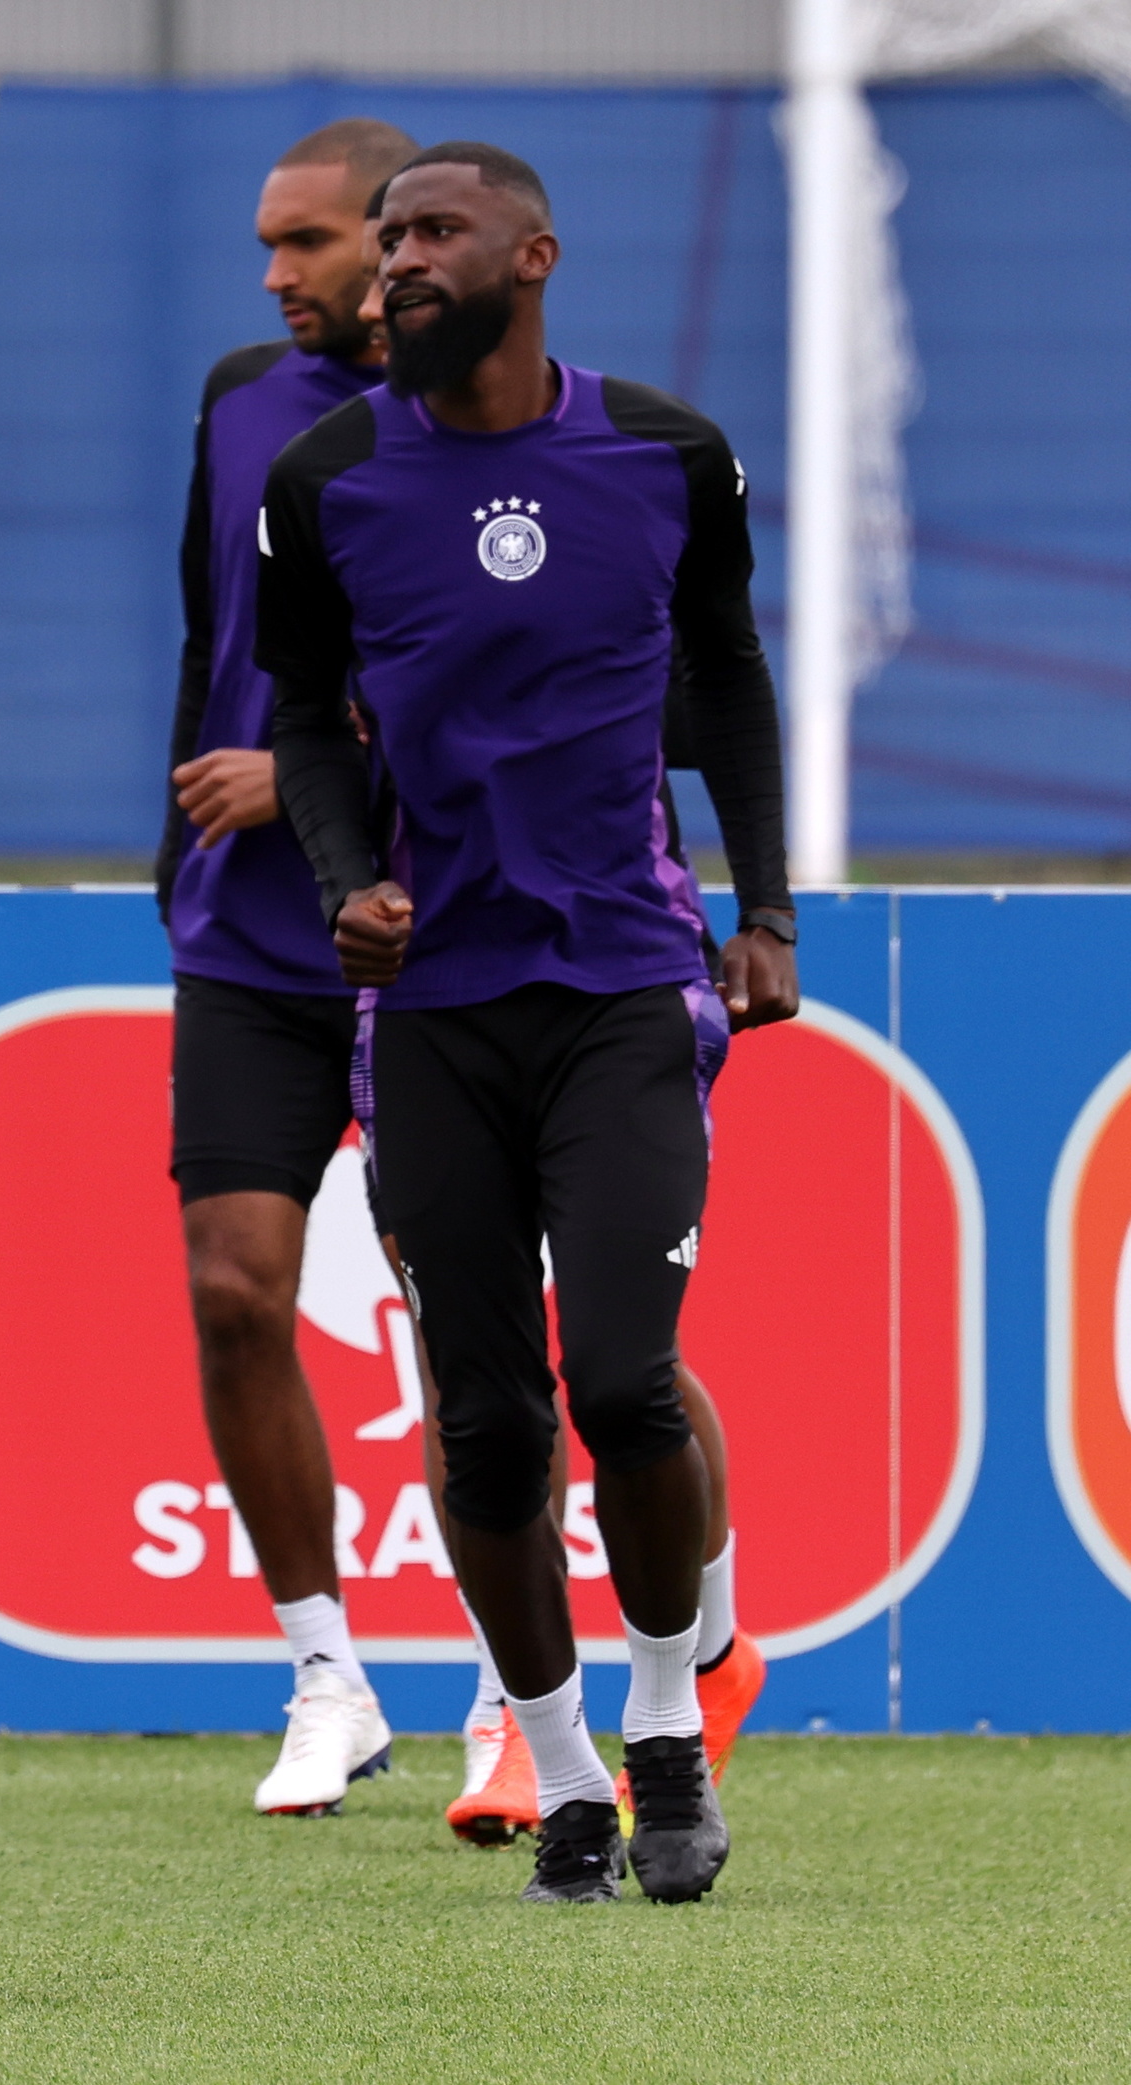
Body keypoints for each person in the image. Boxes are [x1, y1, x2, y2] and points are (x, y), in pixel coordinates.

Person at [264, 144, 798, 1905]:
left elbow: (726, 671)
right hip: (431, 1015)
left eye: (432, 235)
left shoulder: (666, 454)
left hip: (627, 987)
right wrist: (347, 874)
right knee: (487, 1421)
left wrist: (767, 908)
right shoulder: (328, 477)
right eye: (389, 239)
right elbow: (312, 725)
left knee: (626, 1379)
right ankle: (559, 1766)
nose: (397, 266)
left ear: (533, 255)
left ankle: (664, 1729)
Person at [157, 116, 422, 1821]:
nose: (276, 275)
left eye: (306, 243)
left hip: (439, 926)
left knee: (478, 1317)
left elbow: (535, 684)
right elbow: (213, 635)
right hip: (251, 931)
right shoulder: (245, 395)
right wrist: (175, 831)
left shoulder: (503, 424)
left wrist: (317, 767)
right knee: (235, 1286)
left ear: (400, 246)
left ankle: (522, 1675)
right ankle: (327, 1665)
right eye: (266, 242)